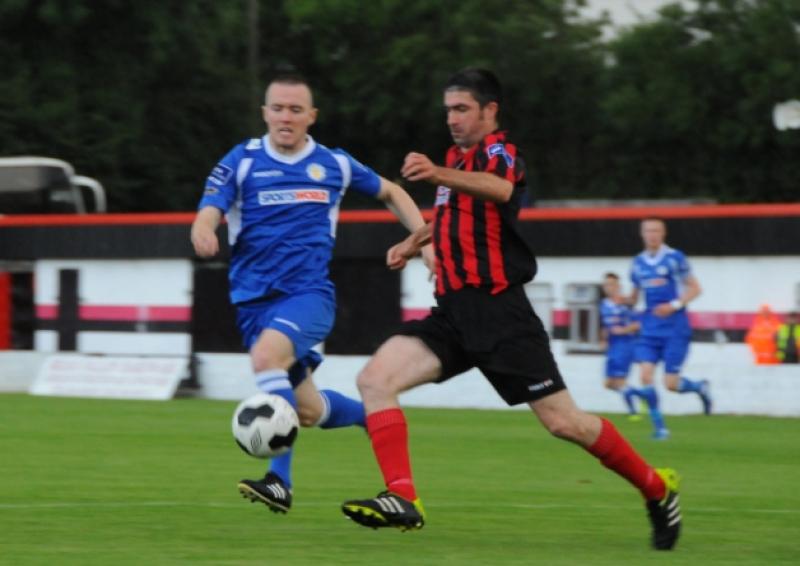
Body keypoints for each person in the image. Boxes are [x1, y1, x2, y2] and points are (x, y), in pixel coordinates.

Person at [340, 68, 682, 551]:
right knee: (375, 380)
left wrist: (437, 174)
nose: (452, 119)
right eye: (448, 110)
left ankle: (656, 487)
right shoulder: (456, 163)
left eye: (462, 109)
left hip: (502, 314)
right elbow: (455, 216)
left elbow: (499, 190)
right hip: (454, 315)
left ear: (489, 110)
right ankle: (403, 498)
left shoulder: (499, 153)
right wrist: (414, 240)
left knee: (565, 423)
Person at [190, 74, 431, 514]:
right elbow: (209, 209)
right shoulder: (241, 160)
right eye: (278, 108)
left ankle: (279, 482)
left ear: (311, 116)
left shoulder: (332, 164)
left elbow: (392, 191)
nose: (286, 117)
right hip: (252, 304)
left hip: (308, 297)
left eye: (296, 109)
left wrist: (424, 240)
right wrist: (204, 230)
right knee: (306, 410)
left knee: (266, 359)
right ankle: (371, 417)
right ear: (265, 113)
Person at [629, 218, 712, 440]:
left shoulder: (675, 258)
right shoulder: (637, 263)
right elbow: (635, 297)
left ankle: (699, 388)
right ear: (642, 234)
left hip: (675, 329)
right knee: (645, 376)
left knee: (671, 384)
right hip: (650, 330)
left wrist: (673, 305)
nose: (652, 234)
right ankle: (660, 428)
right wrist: (620, 300)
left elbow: (695, 289)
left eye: (656, 230)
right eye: (648, 231)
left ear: (663, 234)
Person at [600, 272, 643, 419]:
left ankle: (634, 412)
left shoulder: (626, 304)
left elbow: (638, 324)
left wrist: (623, 330)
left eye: (611, 284)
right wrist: (604, 339)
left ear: (618, 286)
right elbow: (605, 325)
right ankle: (643, 394)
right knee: (608, 384)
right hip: (612, 347)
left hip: (625, 345)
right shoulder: (604, 304)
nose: (608, 287)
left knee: (620, 381)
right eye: (606, 284)